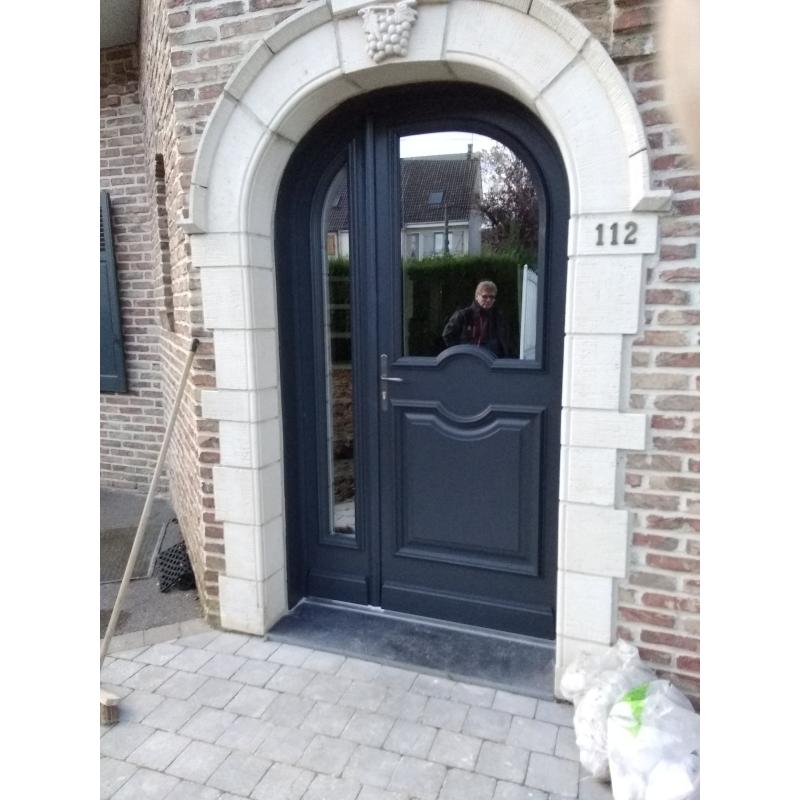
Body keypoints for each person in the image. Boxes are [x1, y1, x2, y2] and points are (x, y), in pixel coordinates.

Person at [442, 280, 513, 358]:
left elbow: (505, 341)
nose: (488, 300)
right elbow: (447, 335)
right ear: (477, 297)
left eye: (491, 297)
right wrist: (459, 353)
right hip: (467, 359)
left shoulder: (498, 318)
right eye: (485, 296)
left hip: (492, 360)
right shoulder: (463, 315)